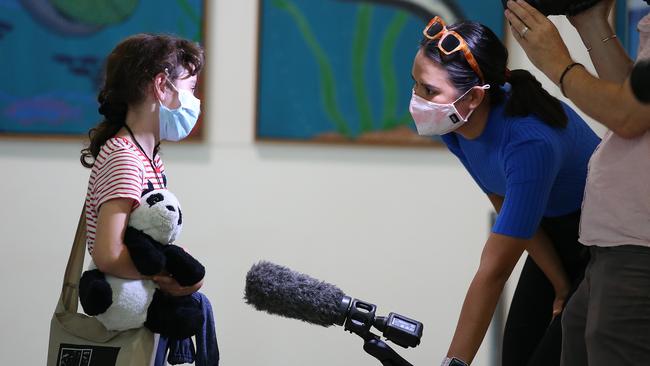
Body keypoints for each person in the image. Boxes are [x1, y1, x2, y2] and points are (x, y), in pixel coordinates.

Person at [409, 18, 601, 366]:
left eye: (429, 90)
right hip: (552, 230)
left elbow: (494, 270)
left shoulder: (528, 140)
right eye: (416, 84)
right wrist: (559, 283)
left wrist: (454, 362)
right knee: (516, 353)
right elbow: (502, 200)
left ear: (475, 97)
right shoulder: (455, 126)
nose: (417, 100)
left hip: (608, 242)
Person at [504, 1, 650, 365]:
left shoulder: (529, 139)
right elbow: (635, 98)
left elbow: (628, 116)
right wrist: (590, 23)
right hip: (612, 242)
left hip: (638, 246)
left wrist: (556, 63)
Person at [79, 33, 204, 361]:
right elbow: (108, 254)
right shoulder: (124, 156)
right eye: (190, 89)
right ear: (162, 86)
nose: (193, 101)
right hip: (124, 321)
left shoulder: (149, 156)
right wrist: (165, 277)